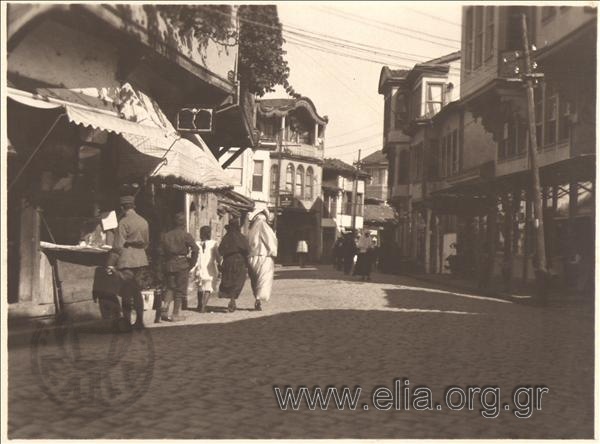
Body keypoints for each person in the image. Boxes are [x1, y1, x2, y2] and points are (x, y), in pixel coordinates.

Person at [106, 195, 150, 331]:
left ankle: (126, 322)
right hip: (141, 259)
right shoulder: (144, 221)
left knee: (126, 292)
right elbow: (146, 243)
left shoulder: (123, 222)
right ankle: (140, 322)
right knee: (137, 291)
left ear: (122, 208)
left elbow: (118, 246)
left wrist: (110, 263)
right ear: (133, 206)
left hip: (126, 260)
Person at [159, 212, 199, 322]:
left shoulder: (166, 236)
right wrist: (192, 263)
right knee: (180, 290)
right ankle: (175, 314)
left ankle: (164, 310)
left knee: (170, 287)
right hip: (182, 264)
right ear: (184, 223)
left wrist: (166, 262)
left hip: (169, 264)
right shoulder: (186, 235)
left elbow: (161, 252)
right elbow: (195, 249)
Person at [247, 208, 278, 311]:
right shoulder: (265, 227)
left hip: (252, 256)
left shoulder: (251, 230)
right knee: (264, 279)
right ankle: (258, 298)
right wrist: (273, 252)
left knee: (255, 280)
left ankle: (257, 297)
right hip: (264, 256)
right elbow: (271, 241)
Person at [218, 217, 250, 312]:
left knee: (229, 279)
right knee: (238, 280)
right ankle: (232, 299)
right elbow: (247, 250)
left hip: (228, 261)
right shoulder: (241, 237)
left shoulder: (226, 237)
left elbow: (220, 251)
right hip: (239, 261)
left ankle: (232, 299)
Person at [193, 225, 221, 313]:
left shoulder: (197, 243)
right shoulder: (213, 243)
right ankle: (203, 306)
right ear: (209, 234)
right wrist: (220, 263)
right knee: (208, 288)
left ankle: (199, 304)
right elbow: (217, 256)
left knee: (200, 287)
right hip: (210, 268)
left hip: (199, 268)